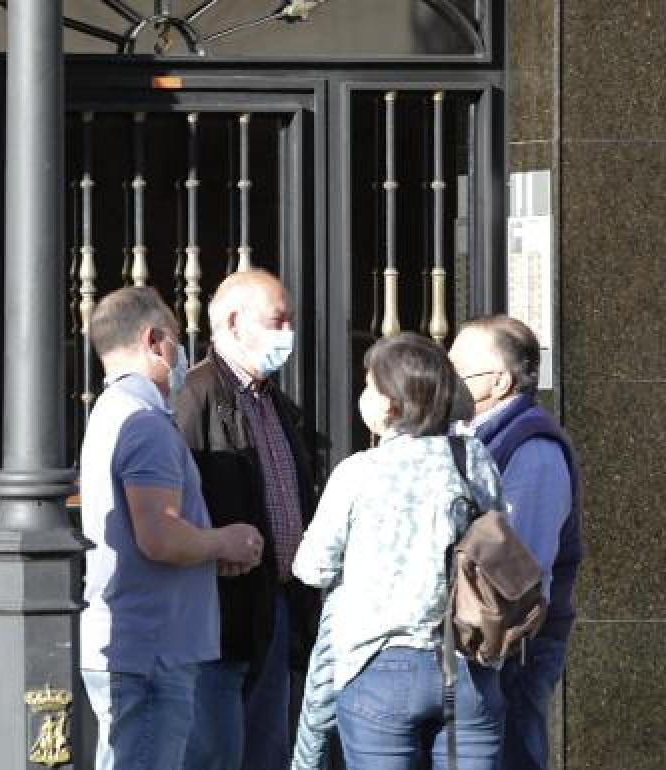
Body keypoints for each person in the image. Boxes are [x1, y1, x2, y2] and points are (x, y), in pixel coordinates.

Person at [293, 332, 505, 770]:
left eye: (369, 386)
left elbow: (311, 567)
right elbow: (501, 540)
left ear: (389, 403)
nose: (363, 396)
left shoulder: (357, 473)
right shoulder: (473, 458)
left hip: (378, 667)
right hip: (468, 664)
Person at [79, 286, 264, 770]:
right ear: (154, 340)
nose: (180, 354)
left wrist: (204, 549)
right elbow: (159, 536)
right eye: (177, 340)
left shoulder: (112, 411)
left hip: (139, 641)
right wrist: (226, 540)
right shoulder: (144, 423)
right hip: (152, 649)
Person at [174, 269, 321, 770]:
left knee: (267, 750)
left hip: (276, 602)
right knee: (215, 752)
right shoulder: (195, 396)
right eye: (279, 320)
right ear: (235, 323)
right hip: (221, 608)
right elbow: (174, 502)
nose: (288, 334)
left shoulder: (275, 403)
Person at [449, 315, 582, 770]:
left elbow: (518, 564)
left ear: (500, 381)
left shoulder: (532, 447)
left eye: (457, 370)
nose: (446, 379)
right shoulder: (480, 436)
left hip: (515, 643)